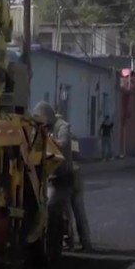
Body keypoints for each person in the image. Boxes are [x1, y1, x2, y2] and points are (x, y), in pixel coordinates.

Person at [33, 101, 93, 252]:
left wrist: (47, 139)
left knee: (70, 210)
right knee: (67, 211)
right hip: (63, 175)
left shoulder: (63, 127)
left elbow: (64, 145)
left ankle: (82, 242)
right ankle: (74, 241)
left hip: (68, 175)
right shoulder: (48, 127)